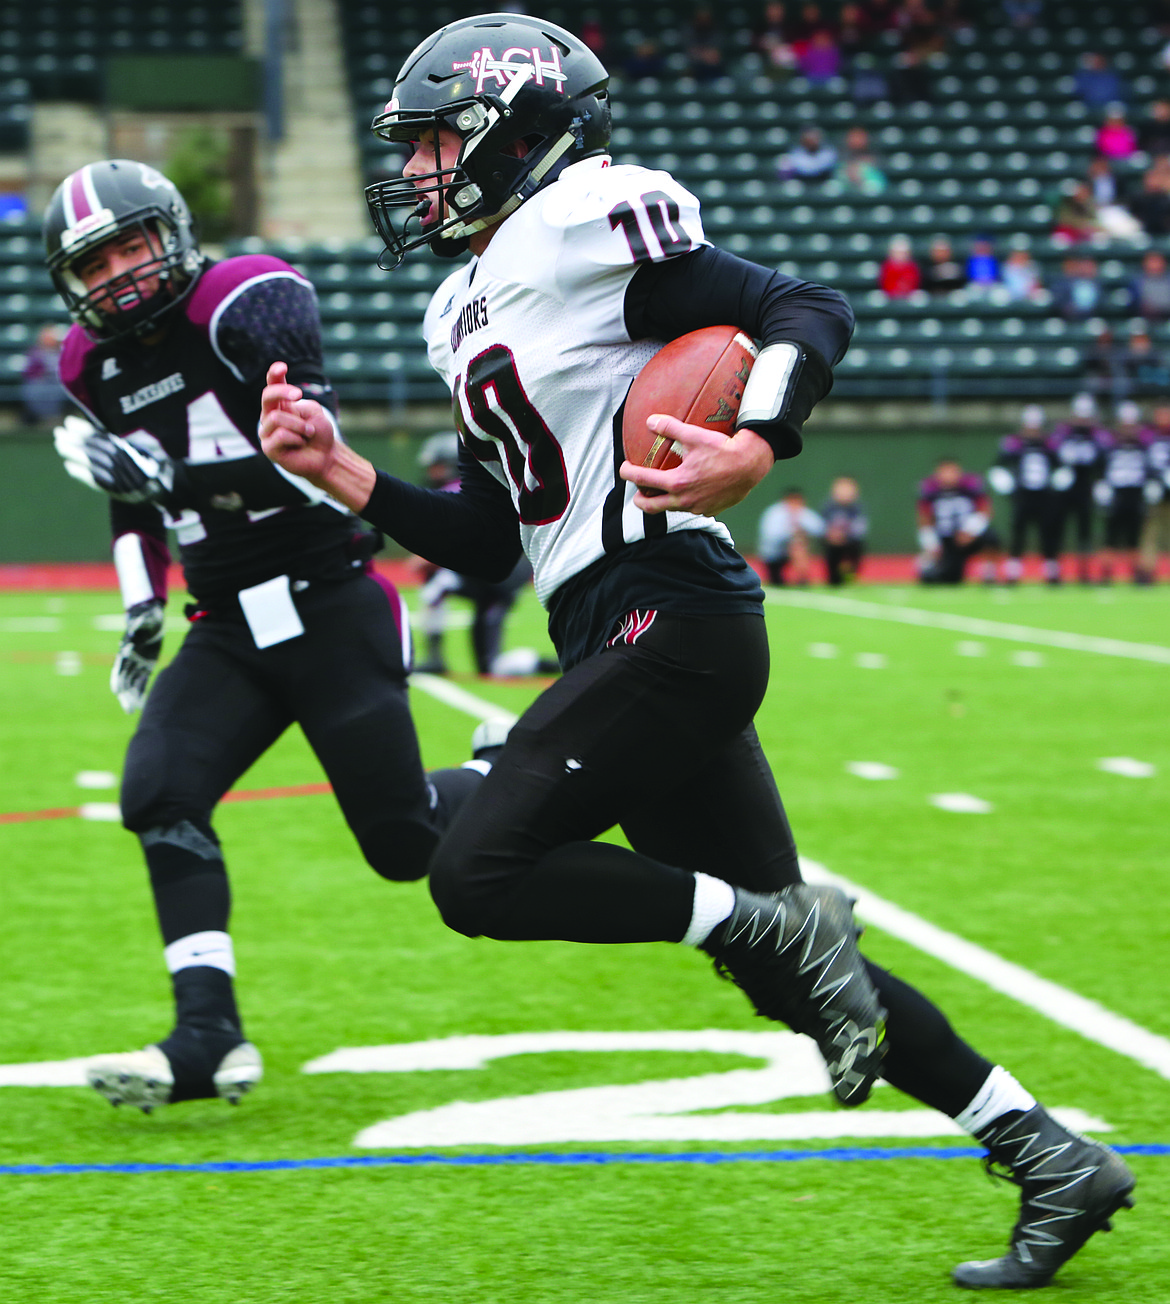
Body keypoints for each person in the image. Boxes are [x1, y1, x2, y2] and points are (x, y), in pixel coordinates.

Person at [260, 15, 1133, 1288]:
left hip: (674, 610)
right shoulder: (466, 299)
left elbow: (798, 307)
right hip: (610, 623)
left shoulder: (581, 222)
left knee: (475, 872)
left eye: (441, 139)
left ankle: (779, 922)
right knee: (782, 972)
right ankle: (1047, 1152)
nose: (423, 169)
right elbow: (492, 535)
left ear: (518, 129)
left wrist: (760, 439)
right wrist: (344, 474)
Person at [42, 159, 493, 1114]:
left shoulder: (247, 300)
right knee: (158, 792)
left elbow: (309, 462)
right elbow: (134, 502)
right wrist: (139, 605)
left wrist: (169, 480)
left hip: (328, 600)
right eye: (97, 261)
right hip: (225, 624)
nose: (119, 273)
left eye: (132, 245)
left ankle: (503, 773)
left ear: (171, 235)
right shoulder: (87, 364)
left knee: (403, 845)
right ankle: (208, 1035)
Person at [413, 430, 540, 675]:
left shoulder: (456, 488)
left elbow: (453, 536)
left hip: (497, 577)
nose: (432, 473)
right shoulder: (473, 486)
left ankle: (434, 657)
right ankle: (542, 664)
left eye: (437, 466)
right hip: (498, 576)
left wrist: (426, 557)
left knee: (435, 586)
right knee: (488, 666)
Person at [988, 405, 1063, 584]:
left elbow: (1060, 466)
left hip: (1044, 494)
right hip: (1021, 494)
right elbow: (998, 465)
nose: (1032, 430)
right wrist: (1005, 483)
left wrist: (1058, 480)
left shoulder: (1049, 443)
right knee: (1018, 532)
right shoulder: (1014, 442)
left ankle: (1051, 572)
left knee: (1048, 532)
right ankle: (1013, 572)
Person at [1047, 393, 1111, 583]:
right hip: (1063, 486)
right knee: (1057, 527)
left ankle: (1084, 571)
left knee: (1085, 530)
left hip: (1085, 484)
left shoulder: (1097, 434)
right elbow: (1050, 453)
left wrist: (1101, 480)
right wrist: (1057, 471)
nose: (1082, 420)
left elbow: (1104, 459)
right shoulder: (1062, 432)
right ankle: (1054, 571)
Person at [916, 457, 1001, 584]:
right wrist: (930, 543)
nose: (948, 475)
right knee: (947, 578)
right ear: (937, 473)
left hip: (969, 536)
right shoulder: (930, 488)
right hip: (946, 539)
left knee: (991, 537)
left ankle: (989, 573)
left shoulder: (970, 484)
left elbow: (985, 510)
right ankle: (927, 564)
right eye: (945, 471)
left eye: (952, 471)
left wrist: (970, 530)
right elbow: (924, 517)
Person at [1095, 401, 1150, 584]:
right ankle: (1106, 574)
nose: (1128, 428)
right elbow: (1100, 466)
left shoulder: (1143, 443)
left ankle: (1137, 574)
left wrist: (1151, 484)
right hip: (1115, 493)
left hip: (1135, 492)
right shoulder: (1110, 443)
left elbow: (1150, 467)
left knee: (1133, 536)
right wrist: (1102, 485)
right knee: (1111, 536)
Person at [756, 486, 824, 584]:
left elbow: (819, 529)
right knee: (776, 581)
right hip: (774, 553)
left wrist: (801, 529)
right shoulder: (774, 513)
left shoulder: (803, 513)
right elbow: (771, 537)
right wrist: (791, 533)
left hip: (794, 551)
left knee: (799, 546)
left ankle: (802, 579)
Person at [1137, 402, 1170, 583]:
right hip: (1155, 490)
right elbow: (1141, 460)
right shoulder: (1148, 434)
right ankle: (1146, 572)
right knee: (1151, 532)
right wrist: (1150, 480)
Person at [819, 474, 867, 584]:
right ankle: (833, 576)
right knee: (831, 551)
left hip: (850, 541)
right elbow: (821, 525)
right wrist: (831, 534)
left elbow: (860, 528)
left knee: (855, 548)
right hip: (832, 541)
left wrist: (844, 535)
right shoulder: (828, 507)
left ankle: (851, 573)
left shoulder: (856, 508)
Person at [20, 323, 68, 425]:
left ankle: (58, 416)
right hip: (40, 384)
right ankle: (39, 417)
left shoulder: (62, 351)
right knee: (34, 389)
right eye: (47, 336)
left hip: (59, 384)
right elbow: (29, 372)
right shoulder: (35, 353)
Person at [1128, 249, 1170, 321]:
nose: (1154, 264)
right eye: (1151, 261)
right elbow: (1134, 305)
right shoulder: (1136, 282)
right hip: (1144, 318)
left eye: (1157, 261)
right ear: (1144, 263)